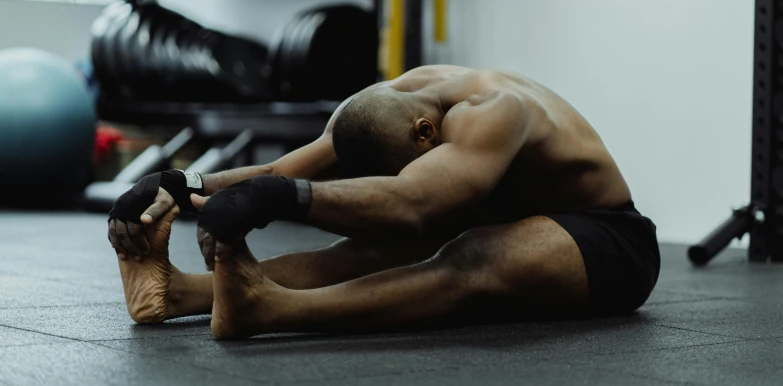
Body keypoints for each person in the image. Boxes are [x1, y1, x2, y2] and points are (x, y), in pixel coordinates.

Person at [107, 65, 660, 340]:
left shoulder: (495, 111)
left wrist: (276, 200)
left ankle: (270, 308)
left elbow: (413, 202)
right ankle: (176, 293)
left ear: (426, 134)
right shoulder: (372, 107)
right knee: (367, 245)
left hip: (609, 240)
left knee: (475, 255)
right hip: (511, 211)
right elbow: (279, 171)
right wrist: (180, 182)